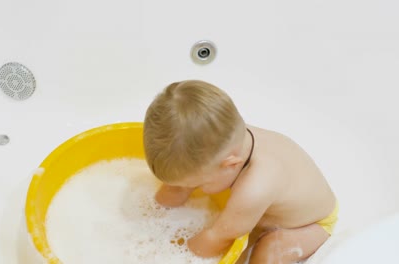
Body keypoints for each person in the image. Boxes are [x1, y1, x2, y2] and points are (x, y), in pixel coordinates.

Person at [143, 80, 338, 263]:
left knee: (268, 251)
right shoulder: (219, 138)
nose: (191, 189)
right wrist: (151, 217)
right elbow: (175, 189)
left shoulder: (255, 188)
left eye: (197, 185)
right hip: (264, 205)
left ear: (230, 165)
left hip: (310, 224)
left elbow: (215, 239)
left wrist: (167, 253)